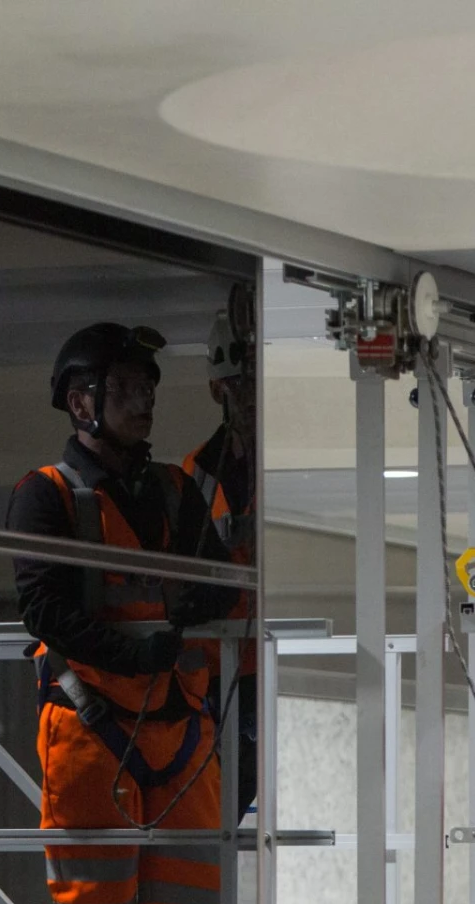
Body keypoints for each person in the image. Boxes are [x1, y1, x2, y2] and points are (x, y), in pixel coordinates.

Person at [6, 322, 237, 904]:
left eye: (149, 390)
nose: (146, 404)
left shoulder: (173, 490)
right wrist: (138, 652)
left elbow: (223, 585)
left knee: (192, 903)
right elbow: (45, 609)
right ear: (82, 402)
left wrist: (174, 630)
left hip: (181, 728)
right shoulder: (45, 496)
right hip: (90, 727)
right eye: (129, 390)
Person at [183, 309, 258, 819]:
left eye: (256, 383)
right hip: (217, 674)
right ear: (218, 391)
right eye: (239, 385)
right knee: (213, 806)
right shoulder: (195, 473)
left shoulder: (285, 465)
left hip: (270, 669)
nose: (251, 398)